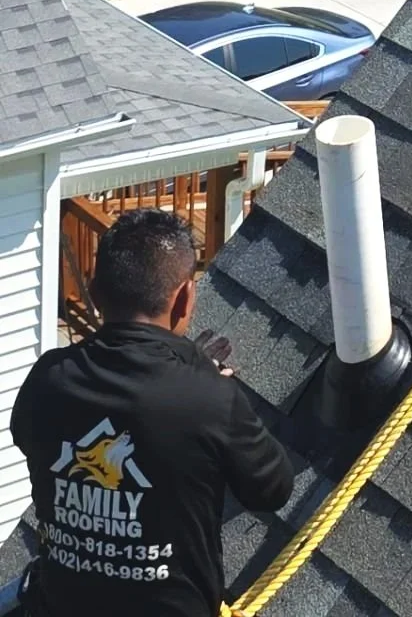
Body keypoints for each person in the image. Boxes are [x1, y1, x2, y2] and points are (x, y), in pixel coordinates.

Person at [9, 208, 294, 617]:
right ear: (183, 298)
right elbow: (272, 488)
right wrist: (199, 374)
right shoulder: (209, 399)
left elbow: (31, 434)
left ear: (94, 291)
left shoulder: (47, 380)